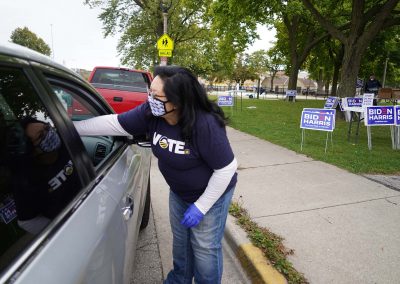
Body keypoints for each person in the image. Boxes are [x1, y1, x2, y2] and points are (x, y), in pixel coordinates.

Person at [74, 65, 238, 283]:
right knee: (181, 244)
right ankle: (179, 279)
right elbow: (116, 123)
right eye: (149, 93)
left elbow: (226, 168)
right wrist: (70, 128)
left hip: (211, 195)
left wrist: (201, 207)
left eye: (156, 96)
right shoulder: (151, 113)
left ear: (177, 101)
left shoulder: (204, 124)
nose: (150, 100)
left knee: (204, 248)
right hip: (180, 193)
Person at [11, 117, 80, 234]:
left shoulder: (66, 143)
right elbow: (26, 221)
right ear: (32, 150)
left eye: (47, 128)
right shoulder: (26, 179)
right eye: (41, 136)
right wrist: (62, 231)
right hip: (74, 224)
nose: (49, 134)